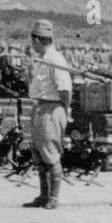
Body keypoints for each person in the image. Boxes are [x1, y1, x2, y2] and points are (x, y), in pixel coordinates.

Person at [23, 20, 73, 209]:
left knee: (51, 155)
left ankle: (53, 197)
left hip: (52, 110)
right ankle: (43, 196)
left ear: (37, 40)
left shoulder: (55, 59)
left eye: (33, 41)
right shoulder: (43, 58)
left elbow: (65, 90)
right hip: (41, 109)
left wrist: (63, 111)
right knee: (40, 155)